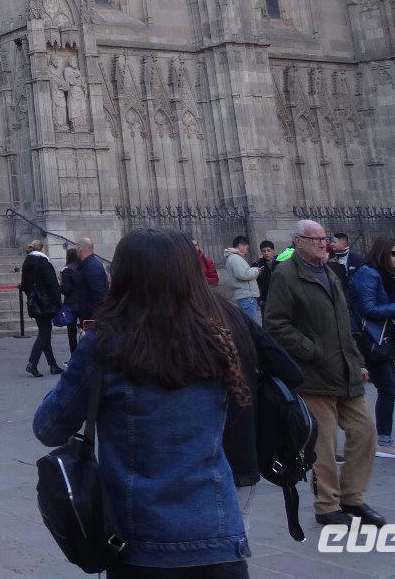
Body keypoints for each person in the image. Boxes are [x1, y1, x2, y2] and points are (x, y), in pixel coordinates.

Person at [34, 228, 254, 576]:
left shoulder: (106, 344)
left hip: (140, 543)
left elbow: (48, 427)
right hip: (216, 532)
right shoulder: (219, 337)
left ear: (122, 276)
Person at [265, 219, 386, 527]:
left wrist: (356, 360)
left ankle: (353, 498)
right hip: (314, 375)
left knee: (364, 432)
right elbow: (276, 325)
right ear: (298, 242)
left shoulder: (329, 272)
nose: (323, 243)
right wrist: (314, 351)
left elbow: (343, 325)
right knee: (324, 444)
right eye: (315, 239)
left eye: (324, 238)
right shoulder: (286, 275)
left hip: (345, 371)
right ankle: (326, 505)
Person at [221, 295, 302, 515]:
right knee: (237, 532)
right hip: (238, 451)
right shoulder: (228, 312)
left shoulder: (136, 320)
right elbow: (290, 371)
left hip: (166, 472)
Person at [346, 238, 395, 459]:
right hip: (370, 341)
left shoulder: (378, 274)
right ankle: (382, 442)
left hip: (376, 340)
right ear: (383, 254)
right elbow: (367, 308)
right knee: (387, 389)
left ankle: (374, 440)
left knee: (385, 389)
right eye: (394, 253)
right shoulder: (369, 274)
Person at [20, 239, 63, 377]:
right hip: (46, 303)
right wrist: (58, 302)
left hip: (34, 303)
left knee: (45, 333)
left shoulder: (27, 263)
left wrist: (32, 297)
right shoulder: (43, 263)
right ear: (42, 249)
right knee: (44, 334)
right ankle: (32, 363)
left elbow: (24, 285)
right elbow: (53, 285)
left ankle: (53, 364)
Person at [68, 237, 108, 334]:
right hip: (90, 320)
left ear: (80, 249)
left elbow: (98, 295)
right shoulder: (89, 265)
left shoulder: (92, 266)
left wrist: (91, 322)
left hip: (92, 321)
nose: (76, 251)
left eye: (77, 248)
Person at [222, 236, 263, 324]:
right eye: (246, 248)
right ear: (241, 245)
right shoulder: (235, 258)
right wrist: (256, 270)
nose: (247, 251)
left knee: (248, 324)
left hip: (245, 295)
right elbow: (243, 274)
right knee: (252, 325)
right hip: (246, 296)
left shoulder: (234, 257)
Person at [59, 246, 82, 357]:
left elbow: (65, 290)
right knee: (84, 329)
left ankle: (74, 356)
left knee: (72, 334)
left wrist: (59, 284)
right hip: (82, 303)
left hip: (71, 305)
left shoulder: (67, 271)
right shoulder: (82, 268)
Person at [255, 241, 277, 310]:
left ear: (273, 251)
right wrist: (259, 300)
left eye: (268, 250)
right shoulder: (257, 265)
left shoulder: (280, 263)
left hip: (279, 298)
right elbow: (255, 283)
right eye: (264, 251)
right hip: (265, 300)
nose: (266, 253)